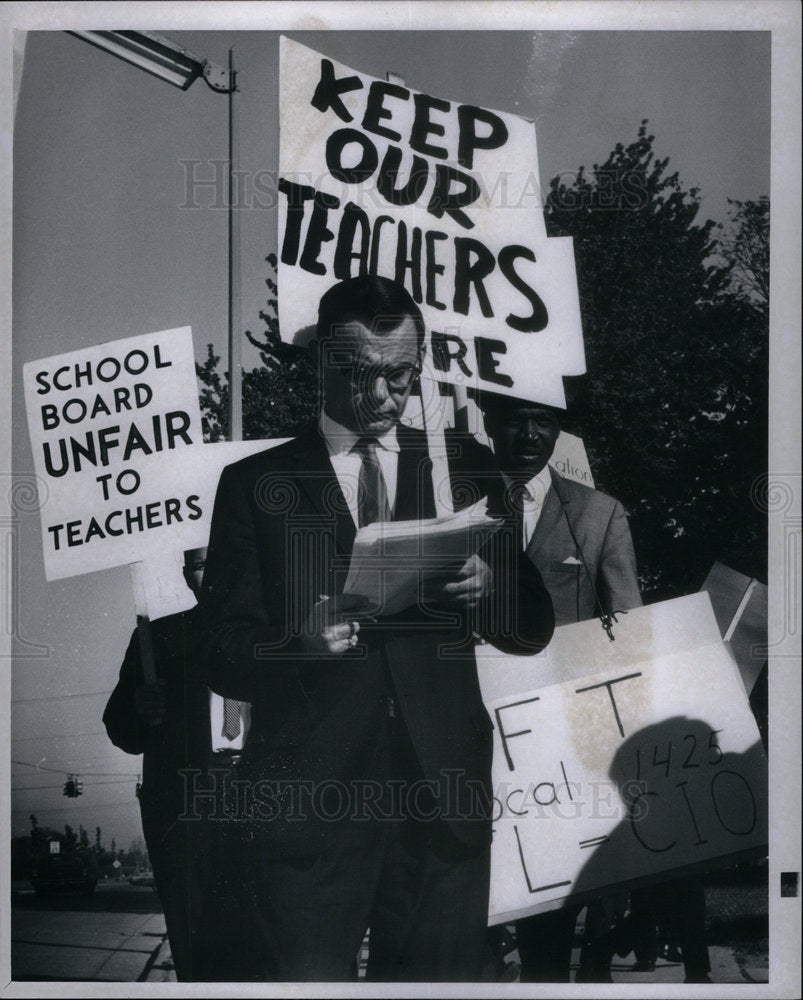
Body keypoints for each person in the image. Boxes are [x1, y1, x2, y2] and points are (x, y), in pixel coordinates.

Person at [194, 275, 554, 982]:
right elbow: (218, 650)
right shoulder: (255, 484)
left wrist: (489, 588)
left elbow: (532, 626)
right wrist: (295, 643)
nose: (388, 395)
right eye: (365, 374)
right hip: (310, 802)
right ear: (323, 364)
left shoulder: (463, 466)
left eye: (403, 373)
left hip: (441, 796)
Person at [476, 391, 642, 983]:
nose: (528, 435)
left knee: (549, 894)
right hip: (470, 727)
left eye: (542, 422)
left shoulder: (599, 515)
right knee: (469, 889)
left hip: (556, 741)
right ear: (489, 425)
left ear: (558, 431)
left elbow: (628, 631)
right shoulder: (454, 503)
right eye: (514, 421)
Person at [103, 547, 264, 982]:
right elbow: (120, 729)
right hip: (184, 804)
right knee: (197, 939)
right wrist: (139, 709)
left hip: (262, 796)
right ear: (185, 574)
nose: (210, 571)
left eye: (219, 559)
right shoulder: (157, 639)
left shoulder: (272, 631)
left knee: (267, 936)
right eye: (198, 563)